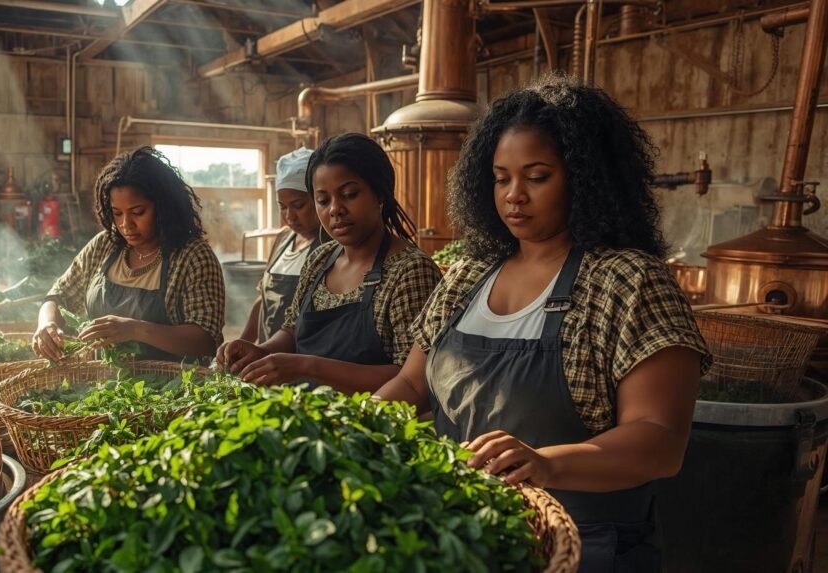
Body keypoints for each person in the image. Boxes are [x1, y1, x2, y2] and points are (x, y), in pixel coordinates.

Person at [375, 74, 711, 573]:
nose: (514, 196)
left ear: (584, 176)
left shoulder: (627, 282)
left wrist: (548, 463)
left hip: (587, 545)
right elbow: (411, 381)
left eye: (536, 177)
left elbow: (660, 438)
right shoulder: (468, 274)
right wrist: (352, 427)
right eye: (501, 177)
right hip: (464, 536)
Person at [216, 133, 442, 393]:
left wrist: (307, 367)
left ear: (380, 193)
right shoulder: (320, 260)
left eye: (349, 194)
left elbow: (412, 377)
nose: (335, 209)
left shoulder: (410, 271)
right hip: (302, 418)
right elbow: (291, 331)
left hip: (370, 422)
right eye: (323, 200)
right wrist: (260, 352)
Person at [32, 146, 225, 363]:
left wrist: (135, 329)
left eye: (138, 212)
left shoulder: (193, 256)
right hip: (105, 387)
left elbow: (206, 339)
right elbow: (58, 296)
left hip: (177, 388)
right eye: (117, 213)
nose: (126, 225)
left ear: (163, 208)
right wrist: (46, 324)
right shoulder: (105, 245)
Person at [238, 147, 324, 343]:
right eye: (282, 207)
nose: (289, 216)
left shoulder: (330, 247)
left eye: (298, 205)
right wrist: (244, 342)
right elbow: (262, 300)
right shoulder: (283, 239)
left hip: (300, 360)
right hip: (266, 359)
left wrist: (263, 352)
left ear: (319, 199)